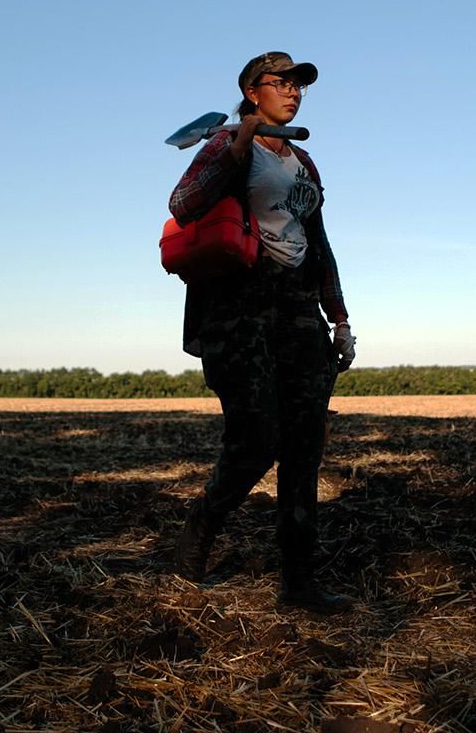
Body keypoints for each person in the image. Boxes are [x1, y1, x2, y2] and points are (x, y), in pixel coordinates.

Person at [168, 51, 357, 613]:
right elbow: (183, 205)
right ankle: (198, 535)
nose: (293, 92)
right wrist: (236, 146)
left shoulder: (305, 165)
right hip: (240, 307)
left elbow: (319, 242)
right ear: (252, 92)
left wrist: (339, 317)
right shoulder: (224, 145)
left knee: (303, 449)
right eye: (280, 83)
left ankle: (299, 583)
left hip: (299, 307)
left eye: (299, 85)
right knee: (256, 441)